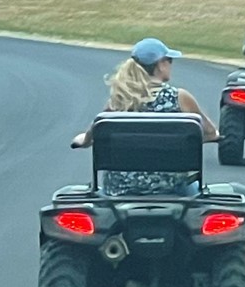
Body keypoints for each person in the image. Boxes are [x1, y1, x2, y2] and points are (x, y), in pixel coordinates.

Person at [72, 37, 219, 194]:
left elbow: (90, 138)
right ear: (160, 64)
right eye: (169, 60)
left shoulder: (119, 101)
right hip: (172, 189)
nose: (171, 65)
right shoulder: (179, 97)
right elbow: (210, 133)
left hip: (119, 191)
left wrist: (81, 139)